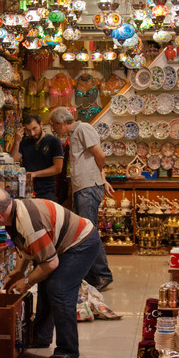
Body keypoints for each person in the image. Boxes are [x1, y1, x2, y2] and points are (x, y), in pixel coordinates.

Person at [0, 187, 102, 358]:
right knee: (46, 284)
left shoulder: (29, 224)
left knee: (58, 289)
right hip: (62, 244)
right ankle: (41, 337)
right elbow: (27, 247)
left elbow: (50, 264)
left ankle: (67, 352)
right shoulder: (15, 211)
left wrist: (26, 282)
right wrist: (19, 272)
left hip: (81, 243)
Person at [48, 106, 114, 291]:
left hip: (88, 187)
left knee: (88, 232)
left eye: (55, 127)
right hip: (83, 187)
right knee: (85, 231)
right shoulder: (76, 133)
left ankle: (103, 275)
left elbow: (99, 154)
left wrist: (99, 175)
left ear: (62, 123)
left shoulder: (83, 128)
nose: (55, 131)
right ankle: (95, 274)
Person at [10, 114, 64, 201]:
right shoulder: (24, 142)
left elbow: (58, 168)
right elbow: (12, 161)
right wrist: (16, 142)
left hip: (46, 189)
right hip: (26, 190)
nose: (32, 133)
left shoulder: (53, 141)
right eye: (28, 130)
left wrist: (35, 174)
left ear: (41, 124)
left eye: (34, 128)